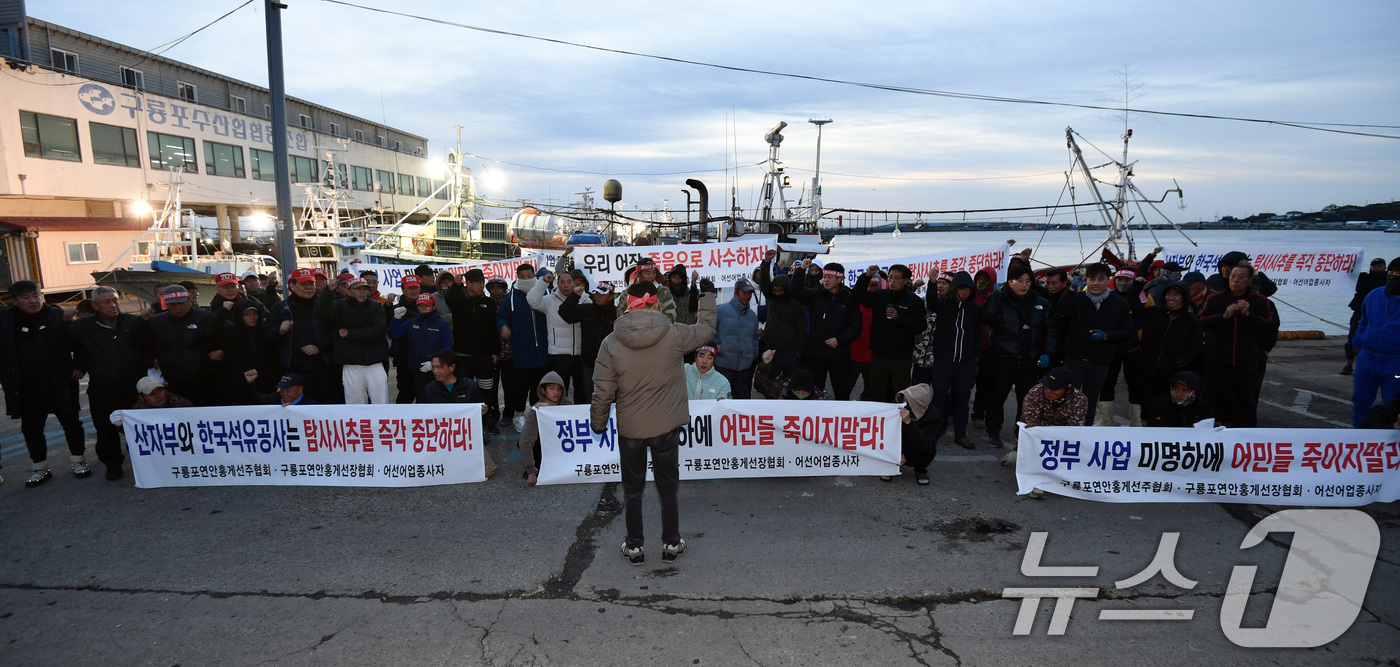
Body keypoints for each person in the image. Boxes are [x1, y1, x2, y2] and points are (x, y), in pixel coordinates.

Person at [592, 280, 717, 566]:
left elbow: (602, 391)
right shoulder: (673, 334)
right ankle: (671, 543)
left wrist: (598, 424)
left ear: (627, 304)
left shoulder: (610, 342)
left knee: (632, 489)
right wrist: (707, 296)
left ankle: (634, 547)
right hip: (665, 427)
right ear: (656, 303)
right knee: (668, 487)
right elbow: (707, 329)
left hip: (631, 429)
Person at [0, 281, 89, 487]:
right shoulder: (5, 321)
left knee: (71, 422)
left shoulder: (57, 315)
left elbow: (80, 344)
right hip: (25, 386)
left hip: (59, 382)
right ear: (13, 301)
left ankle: (79, 461)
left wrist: (79, 366)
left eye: (36, 295)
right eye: (26, 297)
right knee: (31, 428)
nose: (33, 300)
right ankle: (40, 468)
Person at [70, 286, 152, 481]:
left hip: (134, 385)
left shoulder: (133, 322)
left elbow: (147, 344)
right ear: (95, 305)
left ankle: (143, 461)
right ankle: (112, 464)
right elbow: (70, 347)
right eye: (106, 302)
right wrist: (78, 365)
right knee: (105, 429)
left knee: (137, 426)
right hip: (103, 386)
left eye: (115, 300)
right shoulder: (83, 326)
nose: (112, 305)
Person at [979, 264, 1055, 448]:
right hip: (1003, 359)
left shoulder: (1040, 303)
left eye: (1027, 281)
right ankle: (993, 430)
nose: (1024, 285)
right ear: (1010, 282)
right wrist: (996, 296)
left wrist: (1047, 354)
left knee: (1027, 401)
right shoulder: (999, 298)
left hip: (1029, 360)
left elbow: (1051, 331)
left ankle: (1021, 432)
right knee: (996, 398)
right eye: (1019, 281)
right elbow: (987, 317)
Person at [1048, 263, 1133, 425]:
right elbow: (1061, 312)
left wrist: (1106, 335)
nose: (1095, 283)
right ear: (1086, 279)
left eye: (1101, 279)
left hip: (1100, 360)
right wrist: (1071, 290)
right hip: (1075, 357)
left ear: (1109, 280)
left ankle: (1084, 433)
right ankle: (1063, 431)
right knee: (1066, 397)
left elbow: (1127, 330)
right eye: (1092, 279)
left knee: (1089, 400)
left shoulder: (1119, 303)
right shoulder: (1079, 298)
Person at [1199, 263, 1278, 428]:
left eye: (1241, 277)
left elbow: (1268, 326)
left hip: (1246, 361)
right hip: (1217, 360)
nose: (1235, 280)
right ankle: (1205, 435)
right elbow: (1201, 322)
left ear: (1250, 280)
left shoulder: (1260, 301)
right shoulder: (1215, 298)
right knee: (1209, 398)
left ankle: (1246, 438)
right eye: (1233, 276)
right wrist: (1223, 316)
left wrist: (1248, 314)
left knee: (1246, 401)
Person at [852, 263, 928, 402]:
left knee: (900, 394)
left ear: (906, 281)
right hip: (879, 354)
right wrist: (867, 276)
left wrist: (899, 318)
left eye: (897, 278)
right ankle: (879, 422)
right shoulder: (880, 295)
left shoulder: (914, 301)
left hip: (901, 357)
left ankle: (901, 422)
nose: (892, 281)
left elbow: (920, 326)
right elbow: (858, 295)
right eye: (890, 277)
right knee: (877, 392)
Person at [789, 261, 861, 400]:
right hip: (816, 353)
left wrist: (839, 340)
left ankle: (841, 420)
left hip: (839, 355)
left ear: (839, 279)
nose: (825, 280)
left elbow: (856, 327)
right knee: (814, 392)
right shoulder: (816, 295)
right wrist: (801, 270)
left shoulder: (849, 298)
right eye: (825, 276)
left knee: (841, 394)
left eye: (829, 277)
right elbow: (795, 291)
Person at [925, 271, 981, 449]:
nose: (965, 292)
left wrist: (974, 357)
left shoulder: (974, 308)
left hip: (966, 363)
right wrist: (932, 283)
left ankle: (961, 434)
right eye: (962, 289)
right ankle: (936, 430)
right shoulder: (943, 304)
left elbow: (977, 334)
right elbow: (931, 303)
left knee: (963, 399)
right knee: (939, 397)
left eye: (968, 289)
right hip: (944, 361)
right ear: (955, 289)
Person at [440, 269, 499, 428]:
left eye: (483, 282)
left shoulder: (488, 303)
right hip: (463, 356)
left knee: (487, 390)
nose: (482, 285)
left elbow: (493, 329)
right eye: (479, 283)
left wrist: (495, 351)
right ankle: (465, 423)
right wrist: (456, 285)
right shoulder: (458, 300)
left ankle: (487, 421)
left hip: (484, 356)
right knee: (463, 391)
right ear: (469, 283)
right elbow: (450, 299)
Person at [316, 275, 390, 403]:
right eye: (357, 289)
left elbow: (378, 331)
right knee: (355, 404)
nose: (362, 292)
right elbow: (321, 312)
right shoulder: (339, 306)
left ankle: (381, 424)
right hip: (350, 364)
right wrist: (328, 290)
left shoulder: (376, 306)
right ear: (348, 292)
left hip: (375, 363)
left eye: (364, 289)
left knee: (381, 402)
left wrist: (349, 333)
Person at [145, 284, 222, 406]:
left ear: (189, 301)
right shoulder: (156, 321)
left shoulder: (206, 317)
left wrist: (222, 351)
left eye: (181, 304)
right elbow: (146, 343)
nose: (178, 308)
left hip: (204, 380)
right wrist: (152, 358)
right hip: (173, 382)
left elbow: (225, 337)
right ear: (166, 304)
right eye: (173, 305)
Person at [497, 264, 550, 431]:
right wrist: (503, 326)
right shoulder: (511, 297)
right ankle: (520, 415)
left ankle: (536, 415)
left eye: (529, 275)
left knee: (539, 387)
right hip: (521, 350)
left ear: (535, 275)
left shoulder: (546, 292)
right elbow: (502, 316)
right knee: (520, 387)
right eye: (523, 276)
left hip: (542, 350)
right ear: (517, 277)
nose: (527, 279)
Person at [1350, 257, 1400, 426]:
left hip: (1395, 360)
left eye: (1398, 274)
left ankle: (1391, 444)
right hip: (1368, 356)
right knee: (1360, 401)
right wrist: (1357, 342)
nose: (1393, 277)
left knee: (1393, 406)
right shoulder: (1374, 295)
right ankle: (1359, 438)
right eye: (1391, 273)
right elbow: (1363, 321)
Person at [1137, 282, 1204, 406]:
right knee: (1145, 405)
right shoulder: (1154, 312)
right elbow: (1131, 310)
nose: (1170, 297)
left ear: (1183, 297)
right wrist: (1137, 286)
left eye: (1176, 294)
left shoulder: (1191, 321)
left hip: (1171, 374)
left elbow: (1195, 347)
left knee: (1165, 406)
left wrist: (1180, 362)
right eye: (1168, 294)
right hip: (1147, 369)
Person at [274, 268, 334, 403]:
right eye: (303, 284)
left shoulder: (325, 305)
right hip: (294, 370)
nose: (308, 288)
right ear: (292, 286)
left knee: (326, 407)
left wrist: (319, 347)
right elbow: (267, 335)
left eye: (311, 283)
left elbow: (337, 334)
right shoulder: (281, 307)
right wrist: (280, 331)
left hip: (323, 369)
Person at [528, 269, 587, 404]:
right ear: (557, 283)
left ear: (574, 283)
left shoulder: (584, 299)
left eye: (569, 282)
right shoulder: (549, 300)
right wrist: (543, 283)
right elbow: (532, 300)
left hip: (580, 353)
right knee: (559, 390)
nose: (566, 285)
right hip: (559, 353)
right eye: (562, 282)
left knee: (581, 390)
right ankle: (560, 418)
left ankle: (581, 418)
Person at [559, 280, 620, 407]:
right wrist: (575, 296)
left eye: (603, 294)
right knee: (590, 398)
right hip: (589, 365)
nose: (598, 296)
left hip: (612, 366)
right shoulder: (586, 309)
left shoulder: (617, 314)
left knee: (612, 398)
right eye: (597, 293)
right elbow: (564, 313)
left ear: (611, 297)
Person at [210, 297, 280, 405]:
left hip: (265, 387)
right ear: (240, 315)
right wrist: (223, 312)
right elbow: (213, 332)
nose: (252, 317)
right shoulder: (231, 333)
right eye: (247, 314)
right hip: (239, 387)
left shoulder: (264, 331)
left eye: (255, 314)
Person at [387, 293, 453, 402]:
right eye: (420, 305)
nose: (423, 308)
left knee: (436, 399)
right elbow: (392, 333)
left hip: (436, 371)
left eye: (426, 305)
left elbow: (447, 348)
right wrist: (396, 318)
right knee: (420, 399)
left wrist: (435, 364)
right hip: (416, 370)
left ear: (433, 306)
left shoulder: (441, 324)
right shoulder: (412, 322)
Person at [756, 253, 809, 378]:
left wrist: (798, 352)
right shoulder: (771, 299)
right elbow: (764, 282)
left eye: (780, 290)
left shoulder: (796, 305)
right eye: (774, 290)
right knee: (768, 384)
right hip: (770, 349)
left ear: (786, 290)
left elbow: (802, 330)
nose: (777, 293)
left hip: (790, 352)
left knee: (789, 386)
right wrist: (766, 262)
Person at [516, 370, 570, 486]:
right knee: (525, 440)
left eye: (559, 388)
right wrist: (531, 471)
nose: (556, 392)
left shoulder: (569, 406)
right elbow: (525, 441)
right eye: (551, 388)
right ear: (543, 390)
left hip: (565, 448)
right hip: (544, 451)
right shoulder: (537, 410)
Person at [714, 278, 761, 400]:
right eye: (744, 293)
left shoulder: (752, 316)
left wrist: (753, 354)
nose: (747, 296)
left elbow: (755, 338)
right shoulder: (720, 310)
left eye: (750, 293)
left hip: (744, 369)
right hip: (723, 366)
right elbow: (709, 331)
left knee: (743, 405)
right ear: (736, 293)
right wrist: (715, 344)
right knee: (722, 401)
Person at [1344, 258, 1389, 375]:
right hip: (1360, 312)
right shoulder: (1363, 277)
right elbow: (1348, 274)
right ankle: (1349, 364)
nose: (1376, 268)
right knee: (1353, 338)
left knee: (1378, 340)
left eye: (1379, 266)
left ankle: (1373, 365)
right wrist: (1353, 259)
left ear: (1384, 266)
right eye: (1374, 266)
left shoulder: (1388, 280)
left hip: (1381, 314)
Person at [385, 275, 425, 404]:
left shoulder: (427, 307)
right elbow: (388, 330)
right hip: (404, 358)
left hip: (424, 358)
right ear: (403, 290)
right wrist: (388, 306)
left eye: (416, 288)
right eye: (409, 288)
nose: (413, 291)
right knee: (405, 395)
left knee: (424, 396)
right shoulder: (395, 308)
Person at [892, 383, 936, 486]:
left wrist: (908, 423)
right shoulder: (896, 406)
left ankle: (920, 470)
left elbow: (922, 444)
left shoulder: (933, 417)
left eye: (908, 401)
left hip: (916, 450)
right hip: (899, 446)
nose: (903, 403)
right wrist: (899, 452)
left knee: (930, 447)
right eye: (903, 398)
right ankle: (891, 466)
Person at [1144, 371, 1214, 427]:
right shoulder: (1159, 405)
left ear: (1194, 392)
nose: (1179, 394)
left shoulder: (1204, 408)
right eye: (1175, 389)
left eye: (1184, 390)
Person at [754, 349, 826, 400]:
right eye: (797, 392)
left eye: (804, 393)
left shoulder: (819, 400)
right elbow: (761, 385)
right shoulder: (780, 390)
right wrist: (765, 365)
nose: (800, 395)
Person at [129, 376, 194, 409]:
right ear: (141, 397)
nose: (158, 396)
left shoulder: (182, 405)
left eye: (159, 390)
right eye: (151, 393)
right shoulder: (138, 409)